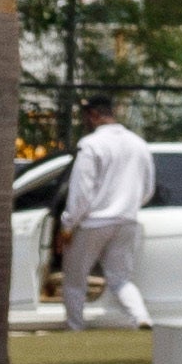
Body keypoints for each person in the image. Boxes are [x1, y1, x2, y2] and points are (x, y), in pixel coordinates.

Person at [55, 95, 157, 332]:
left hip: (92, 222)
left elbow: (81, 192)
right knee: (121, 279)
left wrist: (68, 225)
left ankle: (75, 327)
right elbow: (148, 188)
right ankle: (141, 318)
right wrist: (128, 206)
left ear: (93, 115)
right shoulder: (139, 144)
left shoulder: (91, 145)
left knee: (74, 281)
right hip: (127, 220)